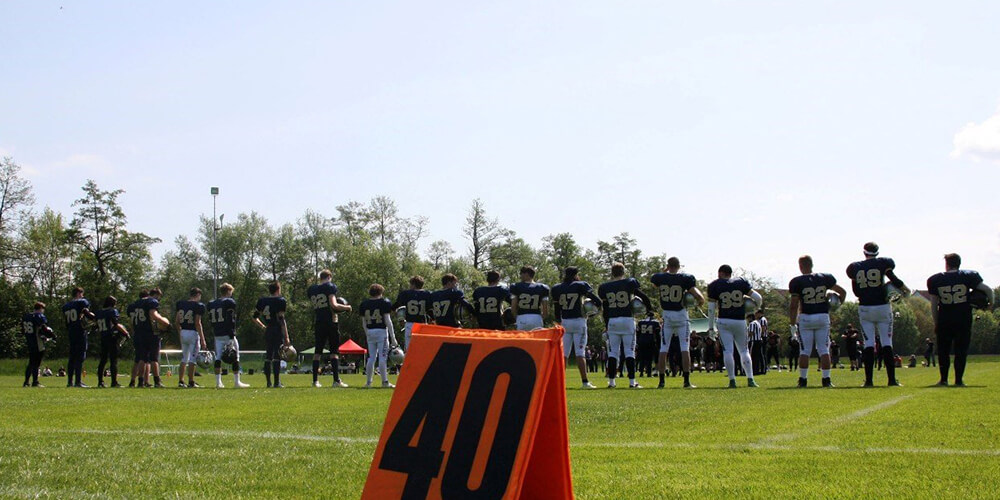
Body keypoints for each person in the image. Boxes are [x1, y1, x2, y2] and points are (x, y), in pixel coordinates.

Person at [846, 242, 908, 387]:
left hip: (865, 308)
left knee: (868, 344)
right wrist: (905, 289)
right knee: (887, 343)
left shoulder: (855, 267)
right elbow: (894, 279)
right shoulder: (883, 263)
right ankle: (891, 380)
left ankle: (868, 381)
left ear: (864, 253)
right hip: (882, 307)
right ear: (877, 253)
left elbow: (855, 292)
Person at [927, 253, 994, 386]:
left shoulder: (935, 279)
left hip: (945, 319)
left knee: (943, 351)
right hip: (963, 318)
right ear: (959, 263)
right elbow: (988, 290)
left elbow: (934, 304)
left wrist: (936, 322)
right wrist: (990, 306)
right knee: (961, 351)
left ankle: (944, 379)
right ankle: (958, 380)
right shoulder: (968, 276)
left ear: (946, 264)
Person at [789, 255, 848, 388]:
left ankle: (803, 380)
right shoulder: (824, 278)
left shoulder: (796, 281)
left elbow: (793, 305)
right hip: (822, 316)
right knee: (824, 349)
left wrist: (792, 324)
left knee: (804, 350)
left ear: (800, 266)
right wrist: (837, 305)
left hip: (806, 317)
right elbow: (842, 292)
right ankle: (826, 380)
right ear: (812, 264)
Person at [650, 256, 705, 388]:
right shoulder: (685, 278)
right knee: (684, 349)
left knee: (664, 349)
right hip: (681, 315)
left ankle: (661, 381)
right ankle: (686, 381)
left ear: (668, 266)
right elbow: (700, 297)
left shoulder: (660, 277)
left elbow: (655, 282)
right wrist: (698, 302)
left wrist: (665, 271)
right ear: (679, 266)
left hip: (667, 315)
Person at [597, 262, 652, 389]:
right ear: (623, 272)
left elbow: (605, 309)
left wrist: (607, 325)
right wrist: (649, 309)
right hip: (627, 320)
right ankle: (632, 382)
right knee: (629, 351)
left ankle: (611, 382)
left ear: (612, 272)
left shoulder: (605, 287)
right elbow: (643, 296)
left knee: (613, 353)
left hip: (613, 321)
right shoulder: (629, 283)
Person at [707, 265, 762, 388]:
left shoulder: (715, 285)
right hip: (739, 321)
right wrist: (756, 308)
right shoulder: (741, 282)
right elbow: (758, 297)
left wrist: (711, 327)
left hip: (724, 320)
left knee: (728, 351)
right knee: (744, 350)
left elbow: (711, 309)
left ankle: (732, 380)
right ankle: (750, 379)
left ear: (720, 273)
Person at [551, 266, 602, 389]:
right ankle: (585, 382)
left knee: (564, 354)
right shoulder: (580, 285)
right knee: (580, 353)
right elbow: (597, 300)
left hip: (565, 322)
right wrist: (594, 311)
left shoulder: (557, 288)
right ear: (576, 274)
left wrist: (559, 321)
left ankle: (559, 383)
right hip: (579, 321)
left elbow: (557, 310)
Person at [307, 269, 352, 388]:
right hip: (331, 321)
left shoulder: (312, 289)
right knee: (334, 352)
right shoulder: (329, 286)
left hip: (319, 321)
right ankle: (336, 380)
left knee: (317, 352)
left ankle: (315, 381)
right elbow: (333, 305)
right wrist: (347, 307)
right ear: (329, 277)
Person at [208, 283, 248, 388]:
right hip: (227, 334)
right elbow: (231, 320)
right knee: (236, 356)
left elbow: (211, 321)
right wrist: (231, 335)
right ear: (228, 291)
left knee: (218, 358)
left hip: (217, 334)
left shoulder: (212, 303)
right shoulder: (229, 302)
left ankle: (218, 382)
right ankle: (237, 382)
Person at [359, 283, 397, 388]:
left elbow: (363, 322)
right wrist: (393, 337)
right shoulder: (384, 302)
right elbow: (388, 321)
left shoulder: (364, 304)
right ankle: (384, 382)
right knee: (382, 357)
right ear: (380, 292)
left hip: (370, 331)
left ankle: (368, 382)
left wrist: (367, 333)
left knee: (371, 358)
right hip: (381, 331)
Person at [254, 281, 290, 388]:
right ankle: (276, 382)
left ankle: (268, 382)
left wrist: (263, 326)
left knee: (268, 356)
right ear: (278, 289)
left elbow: (254, 317)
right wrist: (287, 336)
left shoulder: (262, 301)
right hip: (277, 329)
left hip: (268, 329)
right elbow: (281, 319)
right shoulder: (280, 301)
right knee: (277, 356)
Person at [62, 287, 96, 388]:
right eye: (81, 294)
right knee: (80, 357)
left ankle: (69, 382)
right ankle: (78, 381)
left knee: (72, 357)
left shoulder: (66, 306)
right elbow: (86, 313)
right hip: (80, 331)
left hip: (71, 332)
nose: (82, 296)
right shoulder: (81, 302)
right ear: (78, 293)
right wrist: (94, 317)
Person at [175, 288, 207, 388]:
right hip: (193, 333)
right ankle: (191, 381)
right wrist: (203, 339)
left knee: (184, 358)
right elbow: (198, 323)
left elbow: (176, 321)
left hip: (183, 331)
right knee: (192, 359)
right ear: (198, 294)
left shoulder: (181, 304)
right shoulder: (198, 305)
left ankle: (181, 381)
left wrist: (181, 333)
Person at [95, 296, 129, 388]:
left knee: (103, 360)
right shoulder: (112, 311)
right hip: (111, 337)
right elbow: (115, 324)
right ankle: (114, 382)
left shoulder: (99, 312)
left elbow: (96, 325)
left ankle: (100, 382)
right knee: (113, 361)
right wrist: (125, 333)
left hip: (103, 337)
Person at [142, 288, 171, 388]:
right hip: (152, 333)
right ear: (157, 295)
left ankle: (141, 381)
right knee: (154, 359)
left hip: (141, 332)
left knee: (142, 359)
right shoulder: (152, 302)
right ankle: (157, 380)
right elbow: (154, 315)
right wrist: (166, 323)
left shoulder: (139, 302)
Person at [393, 275, 432, 349]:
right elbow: (430, 310)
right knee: (422, 349)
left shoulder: (405, 294)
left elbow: (395, 307)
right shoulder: (427, 294)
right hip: (422, 325)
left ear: (413, 284)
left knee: (409, 350)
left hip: (410, 324)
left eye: (410, 284)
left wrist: (399, 317)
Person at [510, 266, 550, 331]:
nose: (520, 276)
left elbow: (513, 308)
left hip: (522, 317)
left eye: (521, 273)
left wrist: (517, 317)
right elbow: (545, 310)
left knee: (523, 340)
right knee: (536, 340)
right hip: (536, 318)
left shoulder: (516, 286)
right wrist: (540, 318)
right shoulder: (543, 287)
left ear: (526, 274)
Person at [22, 302, 52, 387]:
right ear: (41, 308)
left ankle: (26, 382)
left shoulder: (27, 316)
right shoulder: (38, 316)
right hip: (37, 341)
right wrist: (50, 335)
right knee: (36, 363)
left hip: (30, 341)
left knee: (31, 363)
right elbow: (42, 328)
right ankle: (35, 382)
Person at [127, 290, 149, 387]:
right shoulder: (146, 304)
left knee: (137, 359)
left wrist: (133, 331)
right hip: (144, 333)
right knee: (143, 359)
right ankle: (141, 380)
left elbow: (131, 322)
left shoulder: (132, 306)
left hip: (136, 332)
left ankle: (132, 381)